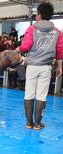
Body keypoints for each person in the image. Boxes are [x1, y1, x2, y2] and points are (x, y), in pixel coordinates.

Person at [16, 2, 63, 130]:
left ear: (39, 15)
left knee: (29, 93)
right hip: (46, 67)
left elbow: (26, 46)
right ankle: (37, 124)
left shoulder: (32, 29)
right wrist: (59, 67)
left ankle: (29, 123)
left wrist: (17, 49)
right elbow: (60, 51)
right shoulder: (57, 32)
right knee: (41, 95)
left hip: (32, 66)